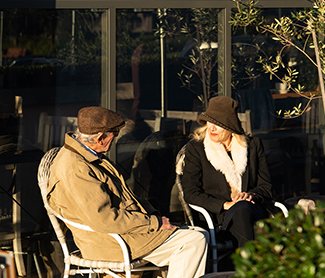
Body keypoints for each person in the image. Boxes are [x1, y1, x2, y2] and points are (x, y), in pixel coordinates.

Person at [47, 106, 208, 278]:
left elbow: (123, 199)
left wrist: (154, 218)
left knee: (198, 234)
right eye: (114, 135)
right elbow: (105, 218)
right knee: (194, 242)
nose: (116, 138)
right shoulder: (77, 169)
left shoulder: (86, 155)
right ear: (100, 138)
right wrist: (154, 223)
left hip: (123, 232)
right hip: (111, 242)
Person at [182, 96, 274, 250]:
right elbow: (190, 192)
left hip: (253, 210)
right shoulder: (197, 149)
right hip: (219, 217)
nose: (211, 128)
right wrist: (224, 205)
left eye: (218, 124)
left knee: (244, 209)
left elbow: (266, 187)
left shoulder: (253, 146)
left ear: (230, 127)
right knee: (244, 214)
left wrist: (251, 195)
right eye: (209, 122)